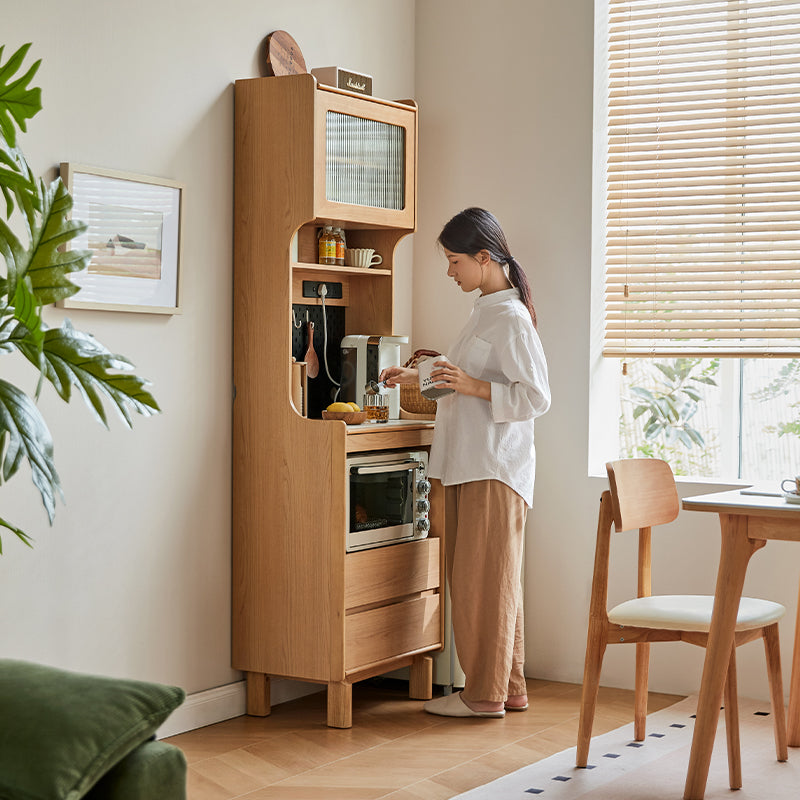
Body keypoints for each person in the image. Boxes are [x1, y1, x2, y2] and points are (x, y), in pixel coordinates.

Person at [380, 207, 551, 718]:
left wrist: (471, 385)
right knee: (495, 584)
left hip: (492, 469)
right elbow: (465, 376)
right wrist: (417, 379)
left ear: (484, 257)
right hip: (469, 463)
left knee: (482, 586)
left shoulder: (512, 320)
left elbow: (535, 396)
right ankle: (508, 688)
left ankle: (481, 696)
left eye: (455, 261)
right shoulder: (488, 310)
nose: (449, 271)